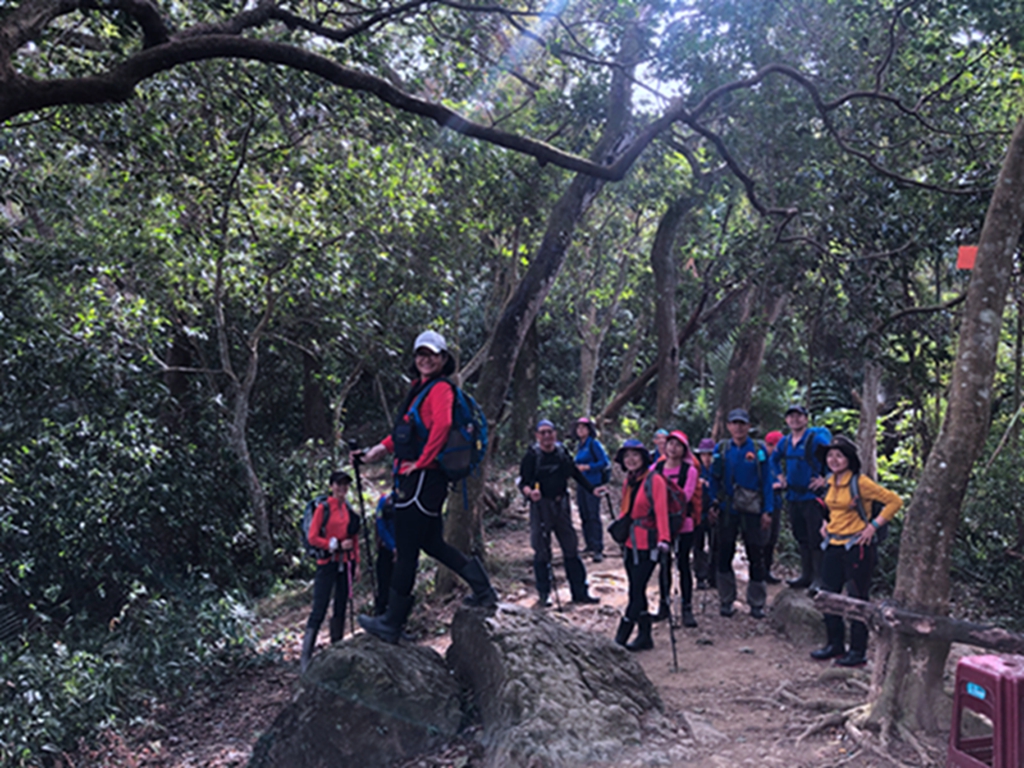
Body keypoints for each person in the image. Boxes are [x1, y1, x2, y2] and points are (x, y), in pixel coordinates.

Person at [356, 330, 498, 644]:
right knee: (432, 543)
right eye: (421, 353)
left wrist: (422, 462)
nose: (426, 359)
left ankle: (392, 622)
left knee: (406, 549)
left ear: (444, 359)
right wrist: (376, 451)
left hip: (422, 480)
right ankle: (483, 590)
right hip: (419, 480)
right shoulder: (419, 390)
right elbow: (407, 431)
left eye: (433, 354)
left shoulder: (441, 389)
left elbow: (443, 425)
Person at [809, 436, 902, 667]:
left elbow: (894, 501)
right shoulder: (830, 481)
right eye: (830, 456)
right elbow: (831, 509)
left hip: (857, 547)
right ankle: (835, 645)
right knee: (829, 595)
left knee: (857, 598)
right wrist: (826, 523)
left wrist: (873, 527)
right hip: (833, 544)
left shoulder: (860, 482)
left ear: (849, 459)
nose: (834, 460)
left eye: (839, 456)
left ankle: (858, 652)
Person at [519, 419, 604, 607]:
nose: (547, 436)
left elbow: (575, 473)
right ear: (537, 436)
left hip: (561, 505)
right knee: (542, 550)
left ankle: (580, 592)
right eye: (543, 433)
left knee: (571, 547)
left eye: (550, 432)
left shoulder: (561, 452)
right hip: (541, 507)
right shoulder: (532, 455)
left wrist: (592, 489)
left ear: (555, 433)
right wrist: (530, 493)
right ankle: (544, 593)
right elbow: (523, 482)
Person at [709, 409, 774, 619]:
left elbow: (767, 480)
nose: (738, 427)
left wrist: (768, 510)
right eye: (734, 423)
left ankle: (757, 602)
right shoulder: (722, 448)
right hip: (728, 509)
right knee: (724, 553)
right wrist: (712, 502)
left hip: (752, 510)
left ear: (748, 426)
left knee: (756, 554)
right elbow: (714, 478)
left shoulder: (757, 449)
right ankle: (726, 599)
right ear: (728, 426)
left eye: (742, 423)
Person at [612, 439, 671, 651]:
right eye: (627, 456)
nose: (631, 459)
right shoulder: (629, 481)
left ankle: (620, 639)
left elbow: (662, 511)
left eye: (635, 455)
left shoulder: (655, 480)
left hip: (649, 544)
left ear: (644, 458)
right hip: (630, 542)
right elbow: (625, 510)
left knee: (636, 592)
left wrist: (664, 539)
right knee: (637, 590)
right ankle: (645, 637)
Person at [768, 405, 832, 593]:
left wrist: (825, 479)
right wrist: (779, 476)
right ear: (786, 420)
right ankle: (806, 576)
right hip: (793, 496)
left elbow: (834, 458)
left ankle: (819, 579)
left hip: (812, 497)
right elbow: (773, 460)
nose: (795, 419)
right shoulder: (785, 442)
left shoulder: (815, 439)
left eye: (799, 416)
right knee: (801, 536)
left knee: (816, 537)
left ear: (806, 418)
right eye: (791, 416)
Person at [301, 470, 360, 672]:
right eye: (338, 484)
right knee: (319, 607)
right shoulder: (323, 508)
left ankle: (337, 649)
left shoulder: (348, 509)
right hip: (327, 563)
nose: (342, 488)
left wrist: (357, 563)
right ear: (331, 486)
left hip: (346, 564)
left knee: (341, 606)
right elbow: (312, 537)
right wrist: (332, 545)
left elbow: (354, 538)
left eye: (345, 484)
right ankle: (305, 658)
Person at [655, 430, 700, 628]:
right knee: (664, 565)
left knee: (683, 565)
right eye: (670, 444)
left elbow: (686, 496)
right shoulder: (656, 468)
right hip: (661, 525)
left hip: (684, 524)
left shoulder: (690, 471)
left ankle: (686, 608)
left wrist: (662, 502)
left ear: (684, 449)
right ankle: (663, 606)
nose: (673, 448)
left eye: (678, 445)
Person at [574, 417, 611, 563]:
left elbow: (604, 462)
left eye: (583, 428)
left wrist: (588, 467)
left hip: (594, 484)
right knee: (584, 514)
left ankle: (598, 548)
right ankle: (589, 544)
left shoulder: (594, 444)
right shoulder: (580, 445)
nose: (580, 430)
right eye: (578, 428)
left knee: (593, 515)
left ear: (589, 430)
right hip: (582, 484)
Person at [691, 438, 717, 590]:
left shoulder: (718, 469)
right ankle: (700, 576)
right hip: (698, 513)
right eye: (704, 454)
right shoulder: (695, 470)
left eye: (710, 454)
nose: (707, 458)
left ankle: (713, 576)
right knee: (698, 545)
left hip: (714, 512)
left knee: (715, 544)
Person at [763, 431, 784, 584]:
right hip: (764, 505)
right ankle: (760, 571)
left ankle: (767, 570)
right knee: (763, 538)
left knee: (772, 539)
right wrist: (774, 485)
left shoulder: (777, 463)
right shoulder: (762, 461)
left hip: (777, 503)